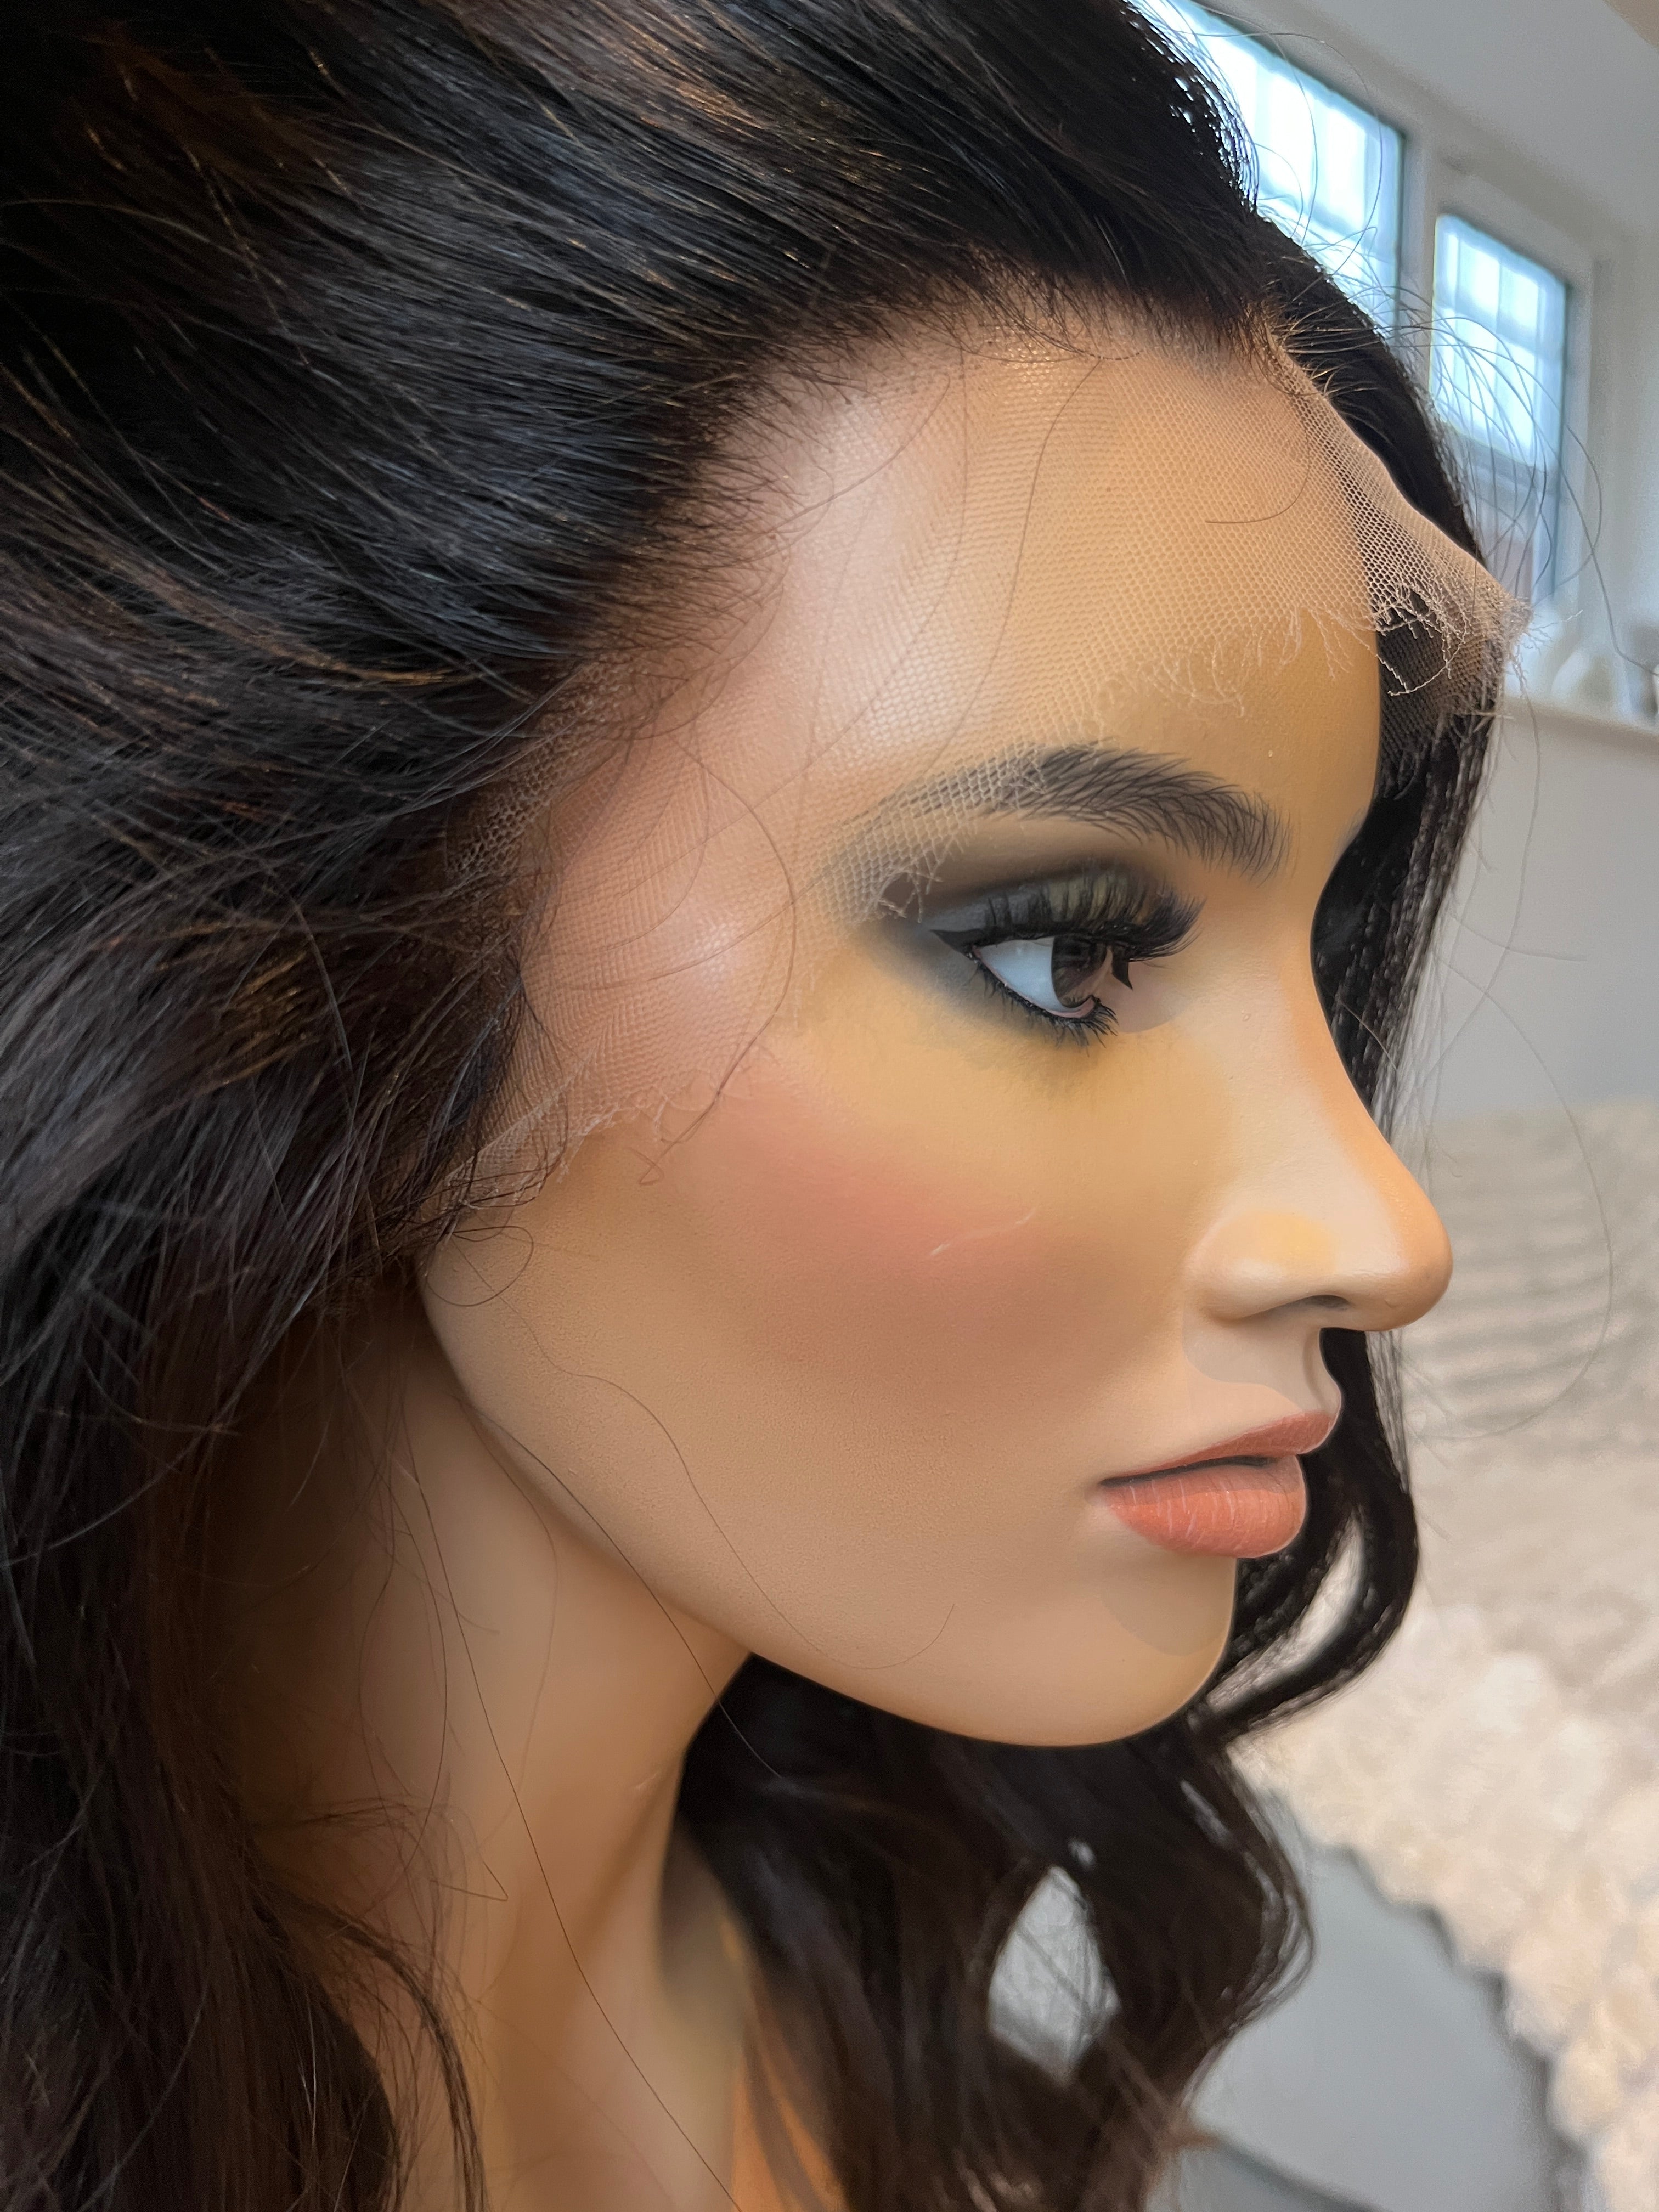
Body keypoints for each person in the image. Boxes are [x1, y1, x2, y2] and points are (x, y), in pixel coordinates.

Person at [0, 5, 1516, 2209]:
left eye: (1312, 939)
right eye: (1065, 952)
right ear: (314, 922)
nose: (1386, 1232)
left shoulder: (866, 1984)